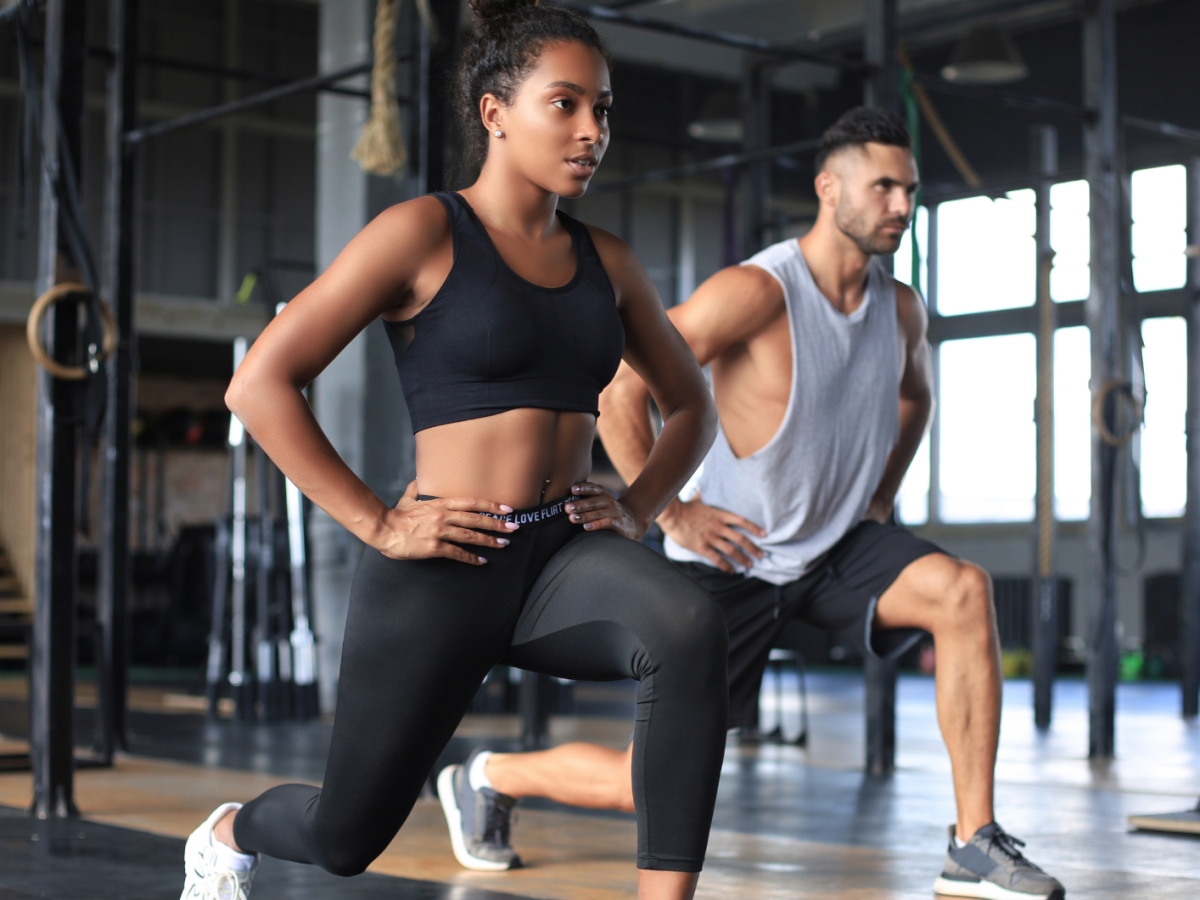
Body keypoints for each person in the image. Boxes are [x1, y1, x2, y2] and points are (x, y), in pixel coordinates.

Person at [440, 107, 1067, 900]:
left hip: (833, 549)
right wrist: (671, 514)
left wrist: (879, 494)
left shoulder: (901, 308)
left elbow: (914, 399)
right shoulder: (758, 292)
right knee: (652, 783)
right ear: (828, 187)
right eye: (883, 187)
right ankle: (489, 777)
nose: (902, 206)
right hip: (727, 559)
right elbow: (627, 388)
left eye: (910, 190)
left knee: (963, 590)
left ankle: (972, 843)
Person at [178, 3, 731, 899]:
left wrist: (637, 506)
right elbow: (260, 384)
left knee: (688, 627)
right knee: (345, 835)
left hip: (561, 555)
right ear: (494, 112)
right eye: (566, 104)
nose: (592, 130)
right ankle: (229, 830)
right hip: (445, 563)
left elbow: (689, 405)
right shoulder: (424, 233)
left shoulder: (611, 262)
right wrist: (379, 523)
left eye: (604, 108)